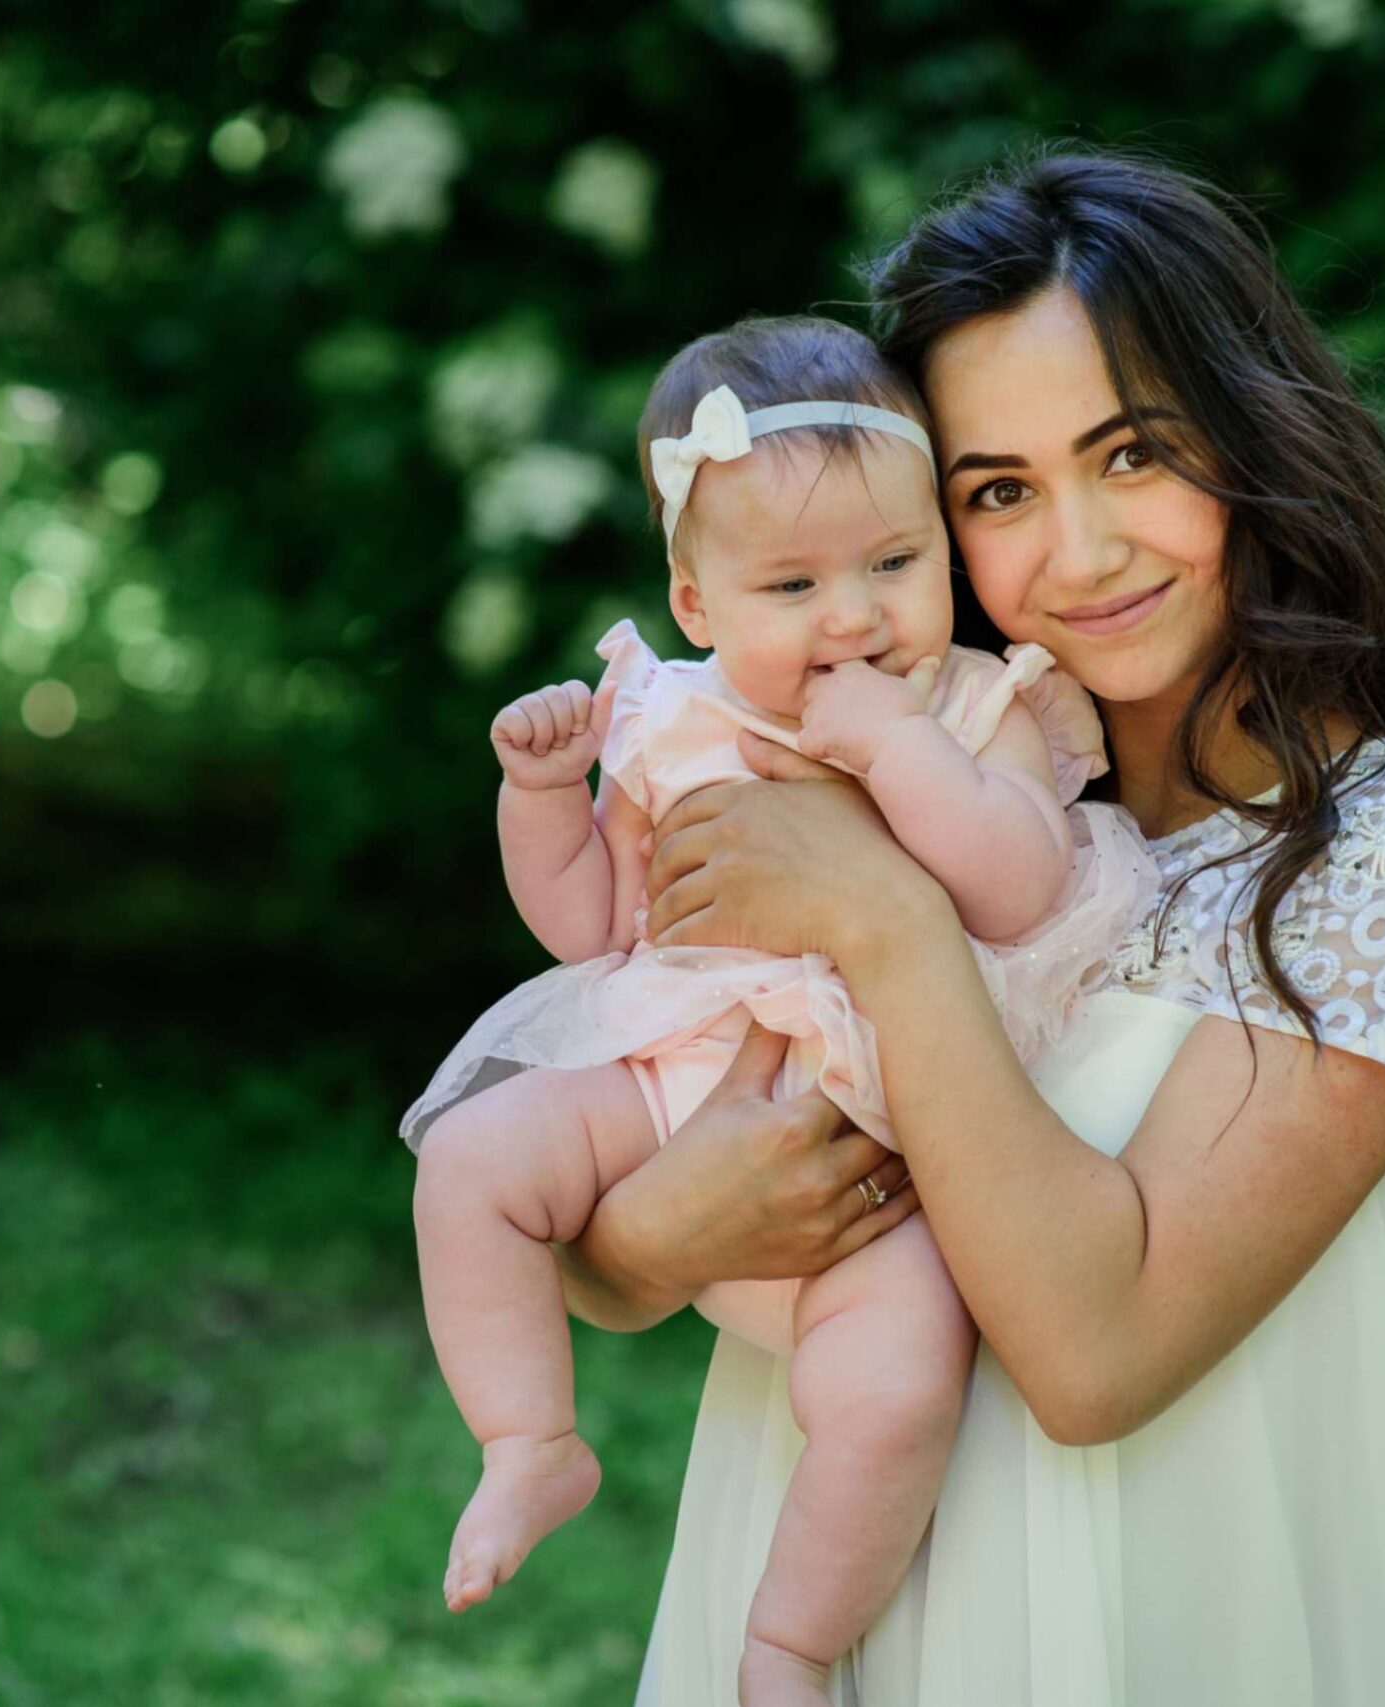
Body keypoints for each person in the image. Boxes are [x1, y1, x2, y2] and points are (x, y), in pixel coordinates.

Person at [555, 148, 1385, 1705]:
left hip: (1221, 1624)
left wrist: (886, 924)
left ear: (1255, 436)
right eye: (999, 491)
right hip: (857, 1609)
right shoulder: (909, 787)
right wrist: (647, 1235)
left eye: (1134, 456)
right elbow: (632, 1184)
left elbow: (1096, 1354)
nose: (1081, 552)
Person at [401, 315, 1156, 1704]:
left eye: (894, 562)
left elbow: (1015, 886)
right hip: (663, 1087)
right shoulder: (669, 719)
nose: (856, 617)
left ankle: (789, 1643)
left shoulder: (980, 705)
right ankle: (528, 1443)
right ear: (699, 607)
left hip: (886, 1152)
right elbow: (595, 925)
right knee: (467, 1162)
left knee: (893, 1394)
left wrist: (898, 748)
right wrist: (540, 800)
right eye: (793, 584)